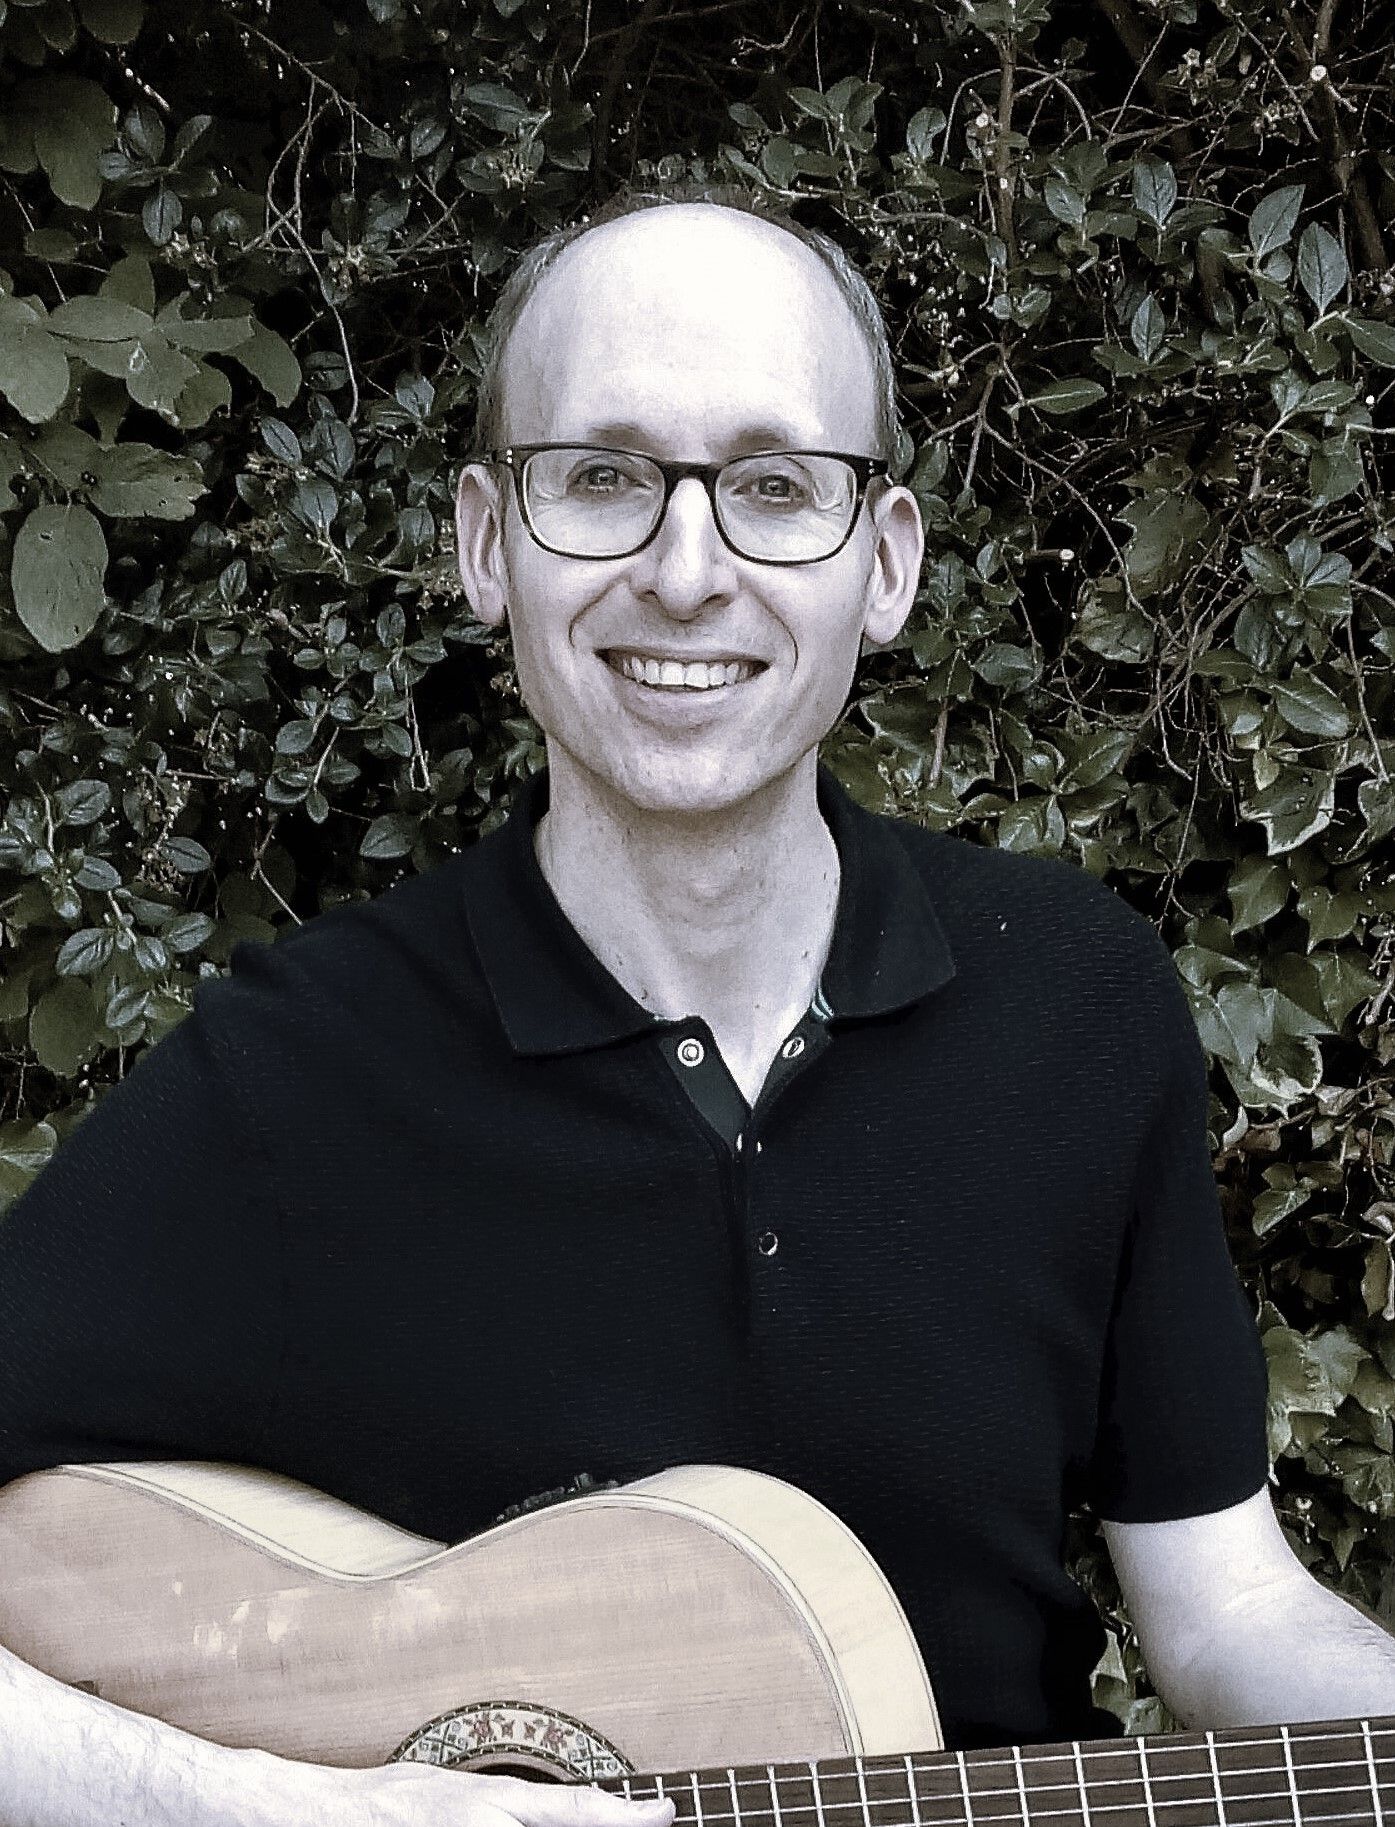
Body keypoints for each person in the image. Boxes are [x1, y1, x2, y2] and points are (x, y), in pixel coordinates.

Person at [2, 181, 1394, 1826]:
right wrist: (301, 1813)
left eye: (774, 487)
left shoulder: (1077, 1006)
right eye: (599, 477)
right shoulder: (290, 1079)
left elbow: (1229, 1614)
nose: (685, 570)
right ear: (481, 545)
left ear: (882, 568)